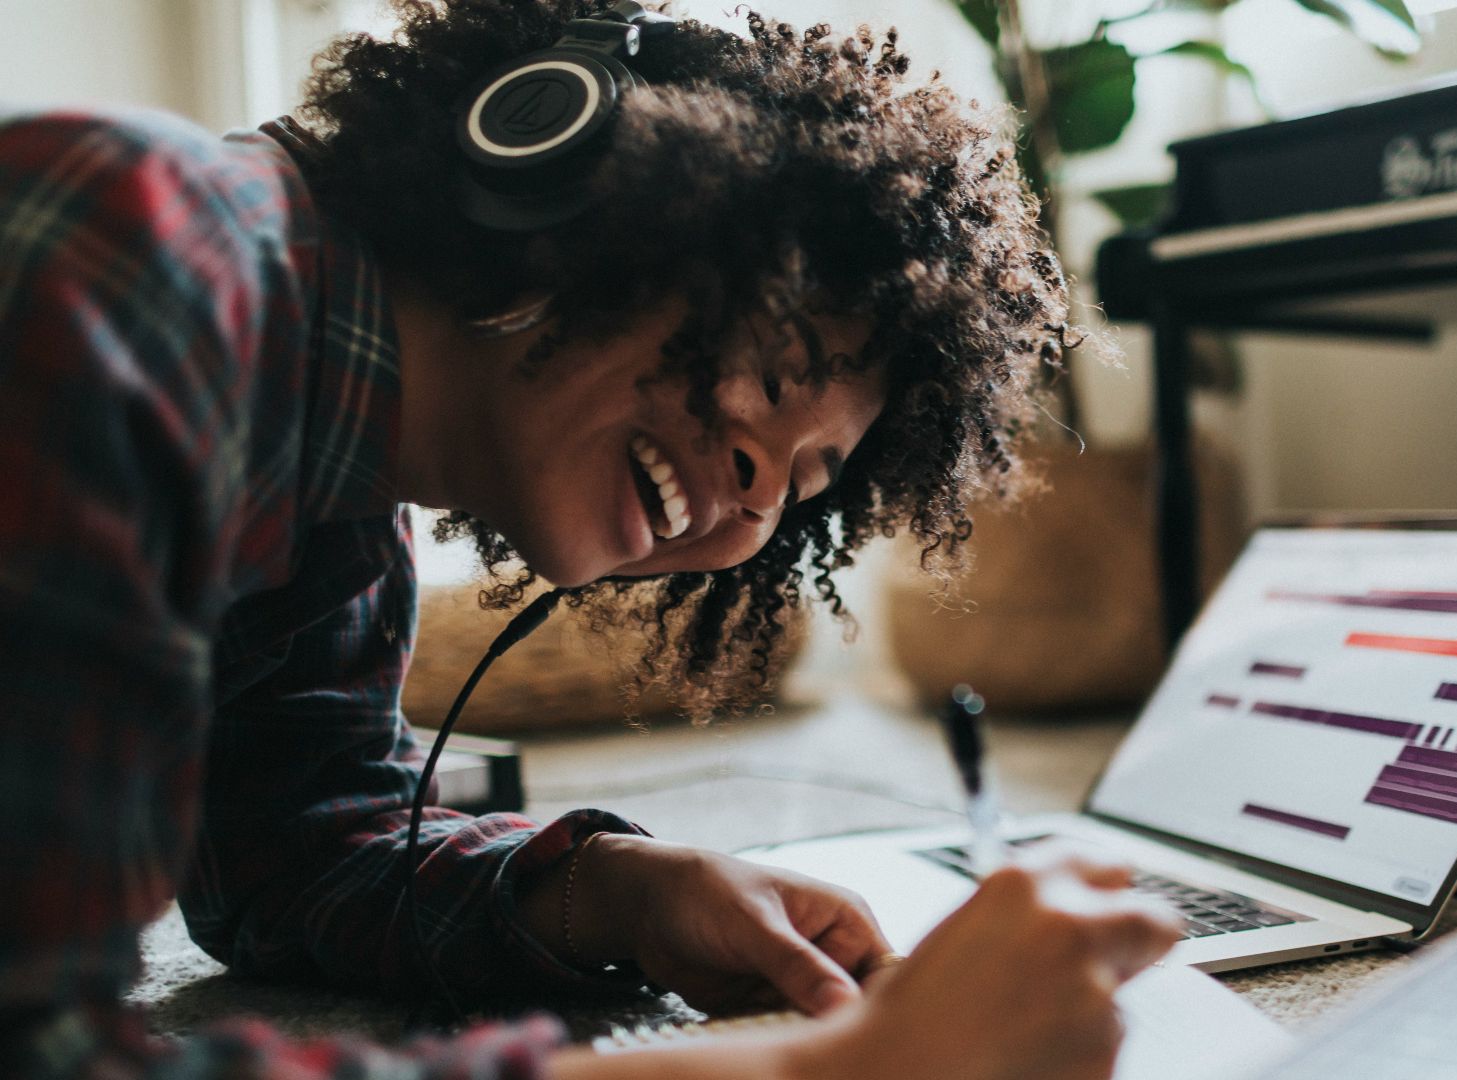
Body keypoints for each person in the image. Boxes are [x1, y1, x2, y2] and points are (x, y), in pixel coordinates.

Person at [0, 2, 1183, 1078]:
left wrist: (611, 894)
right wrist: (827, 1073)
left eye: (804, 487)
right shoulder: (148, 252)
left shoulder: (339, 489)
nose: (755, 495)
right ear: (568, 187)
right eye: (769, 376)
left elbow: (292, 857)